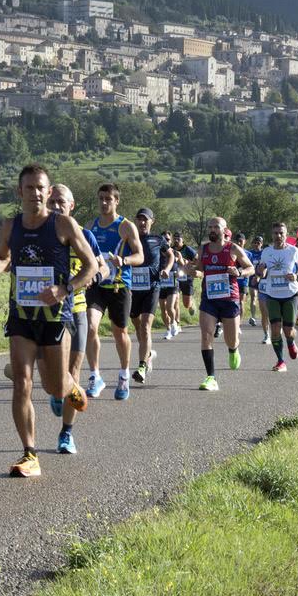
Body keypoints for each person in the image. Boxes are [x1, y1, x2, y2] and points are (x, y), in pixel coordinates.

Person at [0, 165, 95, 476]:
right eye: (29, 188)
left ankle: (71, 387)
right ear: (20, 192)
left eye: (41, 188)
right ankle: (30, 453)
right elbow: (4, 256)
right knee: (22, 383)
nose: (36, 193)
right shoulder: (11, 226)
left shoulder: (63, 225)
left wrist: (64, 288)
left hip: (55, 317)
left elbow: (91, 266)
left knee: (55, 387)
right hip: (21, 315)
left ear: (49, 190)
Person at [45, 184, 101, 443]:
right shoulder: (39, 232)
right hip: (46, 313)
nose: (56, 206)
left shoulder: (85, 235)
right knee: (53, 374)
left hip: (76, 309)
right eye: (52, 201)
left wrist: (94, 276)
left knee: (74, 370)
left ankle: (66, 433)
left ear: (72, 205)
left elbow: (102, 268)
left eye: (61, 202)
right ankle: (58, 391)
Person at [84, 184, 144, 401]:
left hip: (119, 286)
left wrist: (124, 260)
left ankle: (123, 374)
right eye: (101, 198)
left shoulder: (126, 227)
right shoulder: (90, 226)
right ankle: (94, 376)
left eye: (108, 198)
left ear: (116, 201)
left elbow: (140, 256)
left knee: (120, 332)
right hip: (97, 286)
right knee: (91, 326)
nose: (104, 202)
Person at [185, 217, 254, 391]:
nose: (212, 230)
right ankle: (211, 377)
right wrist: (194, 272)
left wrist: (238, 271)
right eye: (210, 227)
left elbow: (250, 268)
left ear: (224, 230)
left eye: (216, 227)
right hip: (209, 298)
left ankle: (233, 349)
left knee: (230, 339)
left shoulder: (233, 248)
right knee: (206, 335)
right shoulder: (203, 248)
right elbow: (201, 271)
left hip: (229, 298)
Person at [129, 208, 173, 386]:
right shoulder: (130, 238)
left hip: (153, 286)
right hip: (133, 288)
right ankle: (147, 355)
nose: (142, 222)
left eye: (145, 219)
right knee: (137, 325)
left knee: (146, 326)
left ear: (152, 221)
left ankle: (141, 367)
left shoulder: (158, 239)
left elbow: (171, 256)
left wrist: (167, 270)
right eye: (139, 219)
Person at [256, 222, 298, 372]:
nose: (278, 236)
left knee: (288, 330)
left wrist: (296, 276)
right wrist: (260, 272)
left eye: (281, 233)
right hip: (272, 294)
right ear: (272, 235)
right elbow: (262, 272)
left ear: (286, 235)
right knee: (276, 329)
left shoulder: (293, 251)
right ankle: (280, 361)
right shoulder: (266, 251)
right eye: (275, 233)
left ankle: (291, 342)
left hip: (290, 294)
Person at [168, 232, 198, 338]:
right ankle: (177, 323)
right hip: (176, 278)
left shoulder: (187, 249)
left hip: (187, 278)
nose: (176, 241)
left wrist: (189, 263)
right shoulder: (171, 250)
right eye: (174, 239)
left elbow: (197, 261)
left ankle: (191, 303)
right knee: (175, 301)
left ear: (182, 240)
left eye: (178, 239)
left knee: (186, 304)